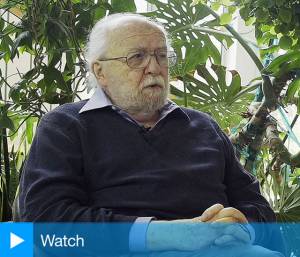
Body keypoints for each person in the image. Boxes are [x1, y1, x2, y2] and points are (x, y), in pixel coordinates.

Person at [17, 13, 284, 256]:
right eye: (137, 57)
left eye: (161, 56)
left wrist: (242, 225)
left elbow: (257, 206)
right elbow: (48, 220)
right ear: (101, 71)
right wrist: (166, 235)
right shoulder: (66, 125)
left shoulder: (204, 126)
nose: (154, 68)